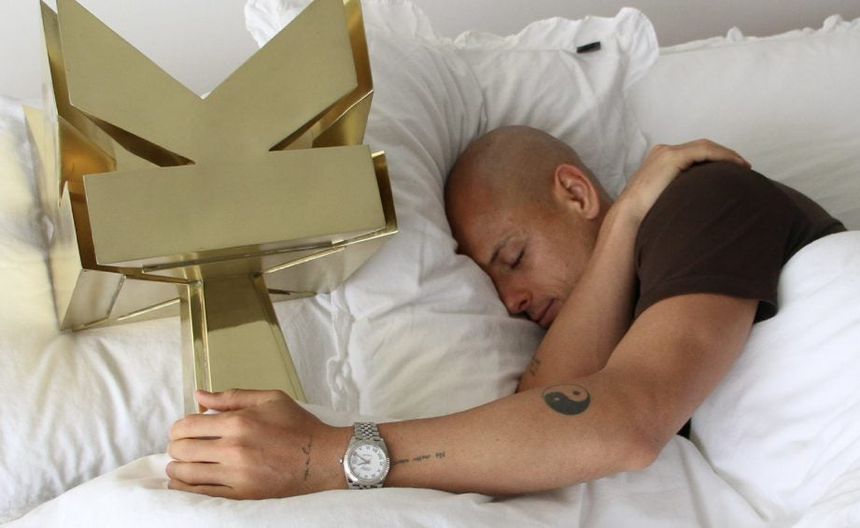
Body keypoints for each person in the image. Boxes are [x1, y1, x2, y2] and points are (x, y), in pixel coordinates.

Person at [165, 126, 845, 499]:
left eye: (513, 257)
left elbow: (626, 424)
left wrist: (325, 455)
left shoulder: (703, 200)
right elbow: (548, 416)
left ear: (575, 193)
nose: (513, 300)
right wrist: (618, 228)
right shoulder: (639, 280)